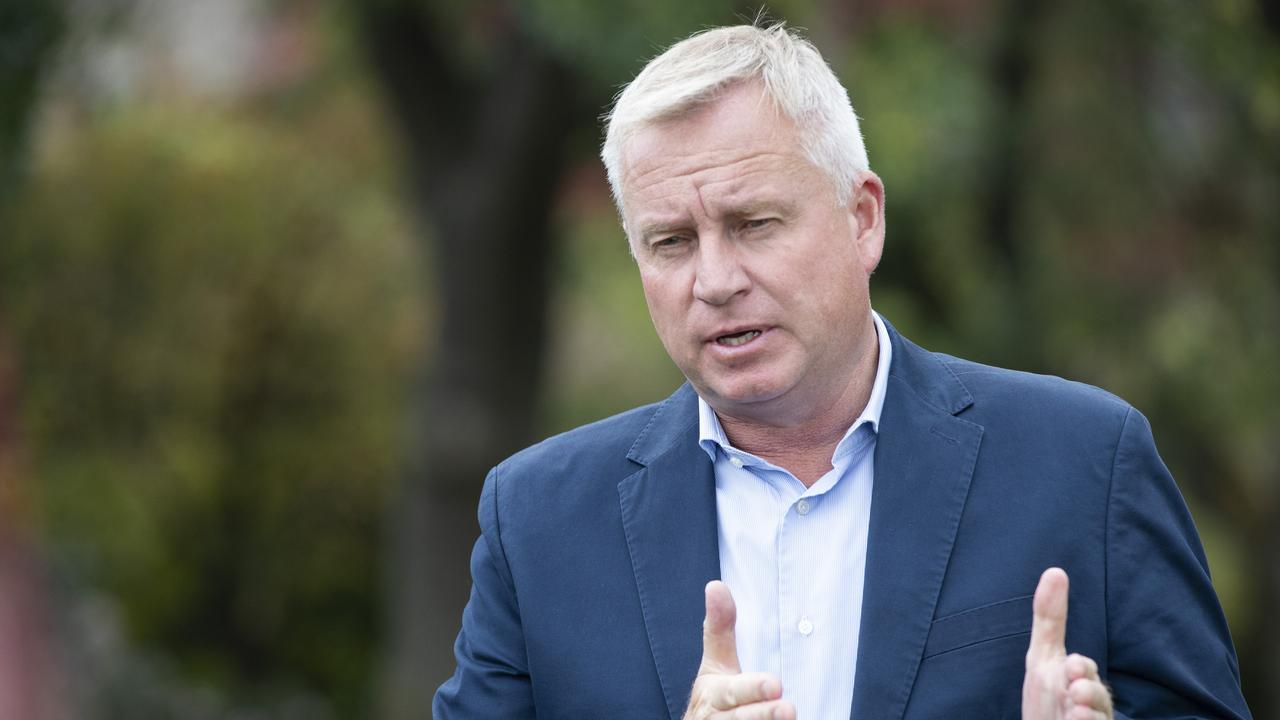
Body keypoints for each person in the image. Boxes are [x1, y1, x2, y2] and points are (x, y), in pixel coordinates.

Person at [433, 23, 1251, 720]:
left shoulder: (1084, 464)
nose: (714, 280)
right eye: (671, 242)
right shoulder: (538, 520)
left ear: (862, 220)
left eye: (753, 224)